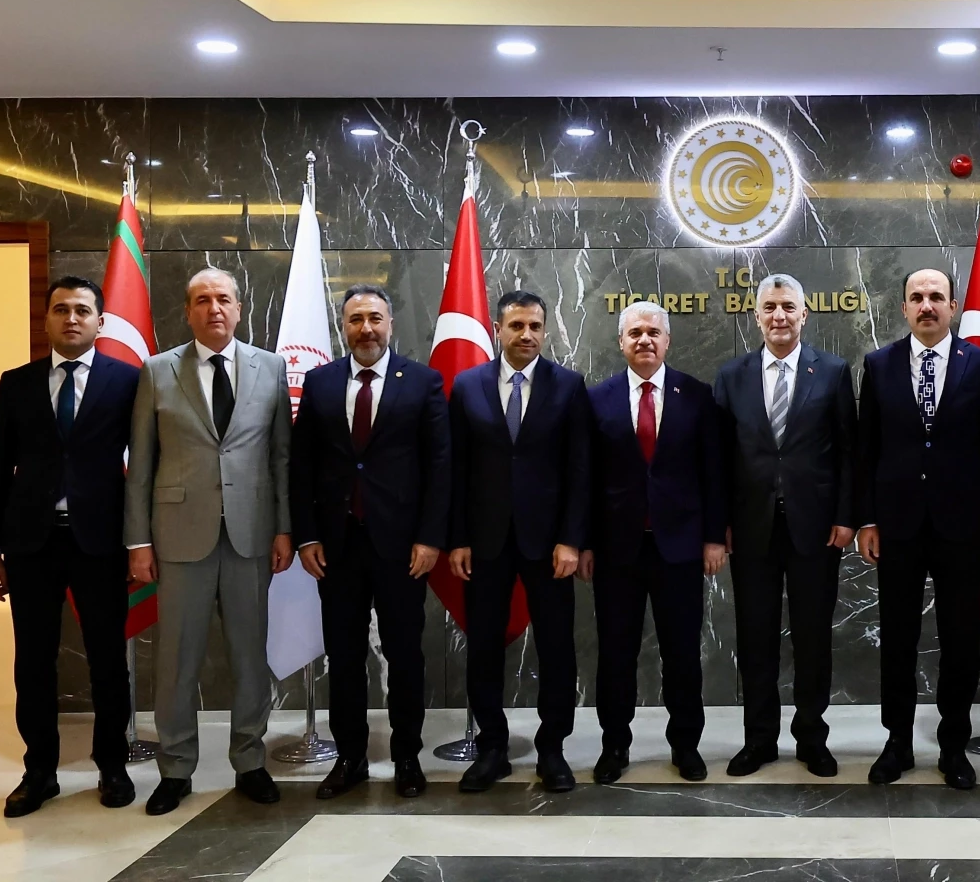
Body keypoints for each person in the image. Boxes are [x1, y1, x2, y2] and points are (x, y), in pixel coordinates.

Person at [125, 267, 294, 816]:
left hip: (251, 534)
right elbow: (141, 465)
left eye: (223, 298)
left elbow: (281, 458)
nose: (213, 308)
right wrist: (138, 543)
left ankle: (250, 760)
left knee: (250, 656)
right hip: (178, 538)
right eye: (202, 300)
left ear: (239, 308)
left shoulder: (271, 367)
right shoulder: (157, 370)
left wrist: (284, 528)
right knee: (177, 660)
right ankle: (175, 768)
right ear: (187, 311)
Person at [0, 277, 140, 816]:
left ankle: (112, 765)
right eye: (61, 309)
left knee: (107, 660)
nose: (71, 318)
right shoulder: (16, 383)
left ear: (99, 322)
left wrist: (141, 541)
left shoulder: (128, 381)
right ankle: (39, 771)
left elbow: (144, 466)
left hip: (101, 541)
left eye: (82, 310)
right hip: (31, 544)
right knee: (33, 662)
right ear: (46, 319)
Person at [290, 284, 449, 799]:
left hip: (402, 546)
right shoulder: (320, 382)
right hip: (336, 545)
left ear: (390, 324)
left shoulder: (422, 381)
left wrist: (430, 537)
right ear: (343, 326)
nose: (366, 329)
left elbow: (440, 466)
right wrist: (306, 535)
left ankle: (407, 756)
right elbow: (301, 466)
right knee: (344, 656)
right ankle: (351, 758)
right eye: (356, 319)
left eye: (375, 318)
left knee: (404, 655)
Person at [855, 268, 980, 790]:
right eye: (916, 297)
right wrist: (867, 518)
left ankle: (953, 746)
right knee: (898, 638)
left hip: (962, 526)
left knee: (960, 640)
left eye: (936, 296)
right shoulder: (879, 364)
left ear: (952, 305)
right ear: (903, 307)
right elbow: (866, 448)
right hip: (896, 526)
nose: (926, 305)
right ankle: (897, 743)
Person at [448, 290, 591, 794]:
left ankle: (552, 749)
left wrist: (571, 539)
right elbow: (456, 468)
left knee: (556, 647)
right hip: (484, 541)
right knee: (484, 646)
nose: (526, 334)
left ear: (545, 331)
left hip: (549, 545)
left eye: (534, 326)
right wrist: (457, 538)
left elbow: (579, 470)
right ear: (498, 329)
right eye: (516, 326)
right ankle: (492, 748)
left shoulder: (568, 386)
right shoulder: (467, 385)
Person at [714, 273, 855, 777]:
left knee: (813, 637)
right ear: (756, 316)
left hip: (816, 528)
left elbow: (848, 451)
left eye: (788, 307)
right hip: (750, 528)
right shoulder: (732, 375)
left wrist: (845, 517)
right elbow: (718, 459)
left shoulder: (832, 371)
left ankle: (812, 738)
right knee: (756, 638)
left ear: (804, 314)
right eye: (770, 307)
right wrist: (719, 523)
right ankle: (759, 740)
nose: (779, 316)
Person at [581, 300, 726, 784]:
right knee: (615, 653)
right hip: (616, 551)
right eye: (635, 333)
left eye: (653, 332)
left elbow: (713, 474)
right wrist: (584, 543)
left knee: (681, 653)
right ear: (620, 342)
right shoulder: (597, 399)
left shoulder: (697, 395)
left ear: (667, 341)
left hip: (680, 549)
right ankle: (614, 746)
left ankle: (686, 745)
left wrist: (713, 538)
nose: (645, 340)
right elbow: (585, 479)